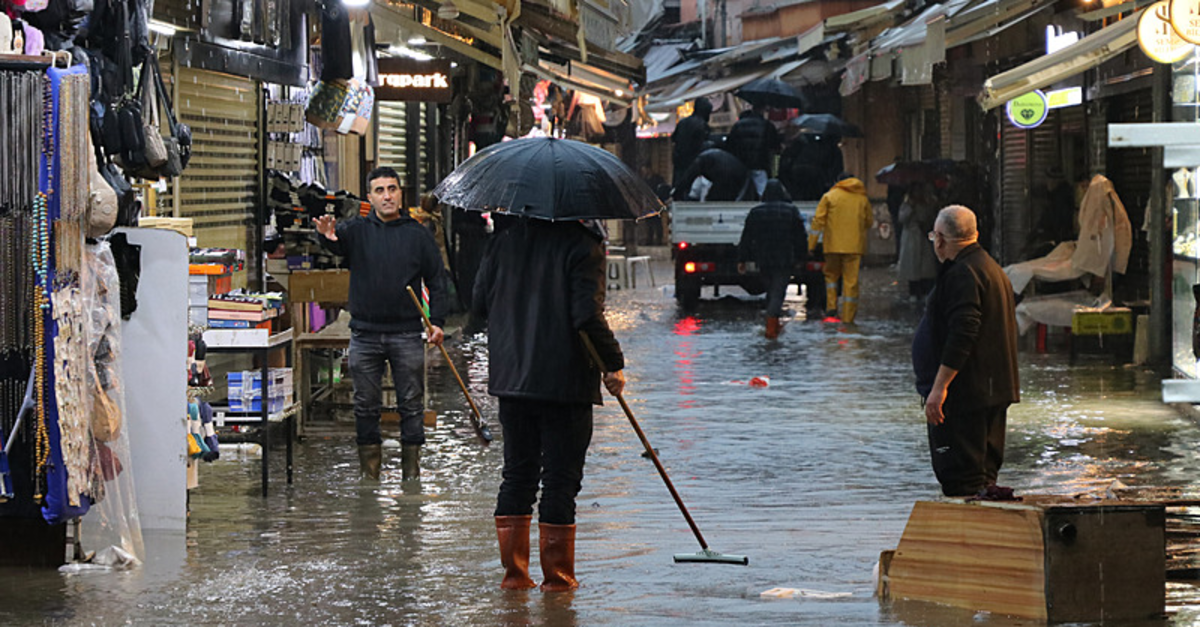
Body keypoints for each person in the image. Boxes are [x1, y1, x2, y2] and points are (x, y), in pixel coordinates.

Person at [472, 218, 625, 592]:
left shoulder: (502, 241)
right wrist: (613, 363)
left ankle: (515, 581)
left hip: (512, 380)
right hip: (564, 383)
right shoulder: (583, 245)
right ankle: (557, 586)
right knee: (559, 481)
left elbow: (477, 306)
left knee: (518, 475)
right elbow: (587, 315)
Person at [315, 166, 449, 481]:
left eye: (392, 189)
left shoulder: (418, 234)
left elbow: (437, 281)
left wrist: (437, 322)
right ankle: (369, 476)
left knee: (412, 405)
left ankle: (411, 476)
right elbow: (336, 246)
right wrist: (325, 237)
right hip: (364, 334)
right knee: (365, 406)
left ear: (401, 193)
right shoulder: (356, 230)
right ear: (370, 197)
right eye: (380, 190)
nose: (387, 196)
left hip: (406, 334)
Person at [915, 205, 1019, 498]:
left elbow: (964, 332)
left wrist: (939, 388)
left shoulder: (962, 273)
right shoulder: (990, 268)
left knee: (961, 477)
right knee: (982, 478)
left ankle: (967, 538)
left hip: (966, 396)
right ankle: (985, 537)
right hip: (990, 390)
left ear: (940, 239)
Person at [737, 180, 807, 338]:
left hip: (763, 258)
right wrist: (801, 257)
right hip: (784, 259)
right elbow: (800, 237)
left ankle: (772, 324)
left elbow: (746, 237)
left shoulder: (756, 212)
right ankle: (771, 327)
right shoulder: (791, 211)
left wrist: (742, 259)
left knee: (771, 290)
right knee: (777, 292)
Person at [808, 173, 872, 323]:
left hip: (832, 246)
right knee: (851, 281)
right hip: (854, 247)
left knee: (831, 277)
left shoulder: (829, 196)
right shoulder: (862, 199)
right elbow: (869, 221)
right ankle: (848, 318)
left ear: (838, 181)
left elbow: (818, 222)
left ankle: (831, 309)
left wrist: (811, 245)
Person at [725, 105, 781, 200]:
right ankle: (764, 207)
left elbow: (730, 145)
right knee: (762, 191)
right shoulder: (767, 125)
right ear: (762, 111)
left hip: (741, 163)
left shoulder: (738, 125)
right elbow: (774, 146)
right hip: (760, 163)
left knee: (740, 191)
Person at [896, 182, 939, 300]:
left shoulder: (928, 203)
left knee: (926, 267)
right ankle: (913, 291)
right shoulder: (907, 204)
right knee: (912, 266)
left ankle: (925, 290)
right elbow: (902, 218)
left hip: (923, 236)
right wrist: (911, 207)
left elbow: (929, 217)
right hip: (911, 238)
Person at [671, 98, 713, 200]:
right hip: (693, 164)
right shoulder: (703, 126)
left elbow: (673, 138)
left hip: (679, 162)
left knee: (679, 189)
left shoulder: (682, 123)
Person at [678, 147, 748, 202]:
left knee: (714, 201)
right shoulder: (715, 156)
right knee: (725, 199)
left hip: (723, 174)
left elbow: (688, 177)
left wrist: (678, 193)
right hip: (738, 173)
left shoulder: (702, 160)